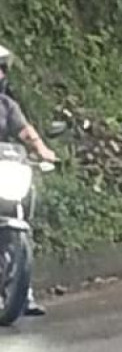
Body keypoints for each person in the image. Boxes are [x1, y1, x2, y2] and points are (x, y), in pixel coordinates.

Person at [0, 45, 58, 317]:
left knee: (25, 216)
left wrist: (44, 151)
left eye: (1, 69)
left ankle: (24, 293)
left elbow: (26, 133)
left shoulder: (7, 106)